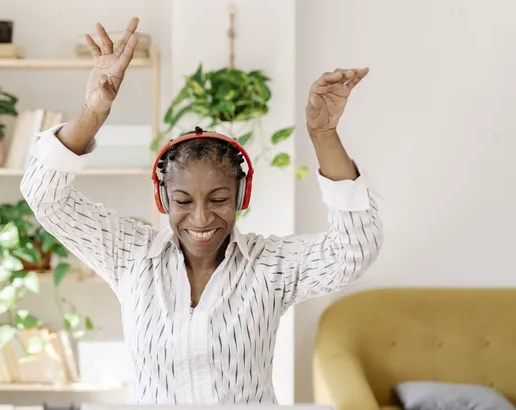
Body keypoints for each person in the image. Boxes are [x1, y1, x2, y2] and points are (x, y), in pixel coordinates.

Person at [21, 17, 382, 405]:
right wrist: (93, 112)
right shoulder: (130, 256)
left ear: (242, 195)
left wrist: (323, 134)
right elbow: (45, 197)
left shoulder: (270, 267)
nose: (201, 219)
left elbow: (352, 251)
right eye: (183, 201)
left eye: (219, 199)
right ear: (163, 199)